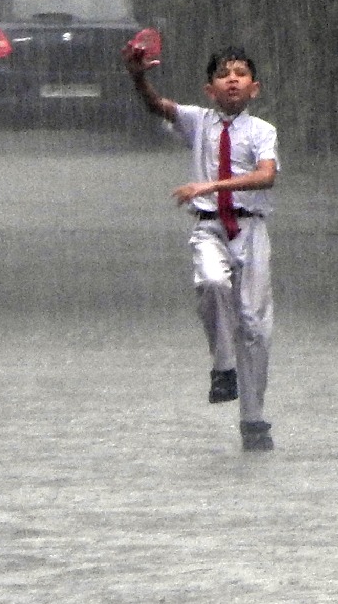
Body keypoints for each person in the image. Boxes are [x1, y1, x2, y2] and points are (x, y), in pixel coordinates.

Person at [122, 42, 279, 452]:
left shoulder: (263, 132)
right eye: (224, 74)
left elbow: (266, 176)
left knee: (255, 327)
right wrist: (139, 77)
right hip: (209, 227)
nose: (232, 79)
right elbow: (158, 106)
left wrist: (210, 184)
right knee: (211, 283)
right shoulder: (198, 122)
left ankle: (253, 419)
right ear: (210, 89)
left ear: (254, 88)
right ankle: (223, 366)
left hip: (250, 229)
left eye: (241, 73)